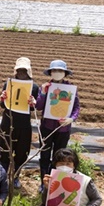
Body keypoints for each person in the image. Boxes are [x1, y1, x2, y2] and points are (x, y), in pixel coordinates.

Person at [35, 60, 80, 191]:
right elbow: (38, 106)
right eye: (54, 71)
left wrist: (71, 119)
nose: (57, 73)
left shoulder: (70, 89)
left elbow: (76, 107)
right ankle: (44, 183)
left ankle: (56, 182)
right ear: (50, 72)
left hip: (63, 129)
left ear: (65, 73)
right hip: (46, 127)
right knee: (44, 155)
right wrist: (43, 93)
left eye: (60, 71)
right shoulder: (46, 87)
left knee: (59, 156)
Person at [0, 57, 39, 188]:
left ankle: (15, 177)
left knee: (21, 153)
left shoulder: (34, 86)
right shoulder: (8, 84)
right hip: (8, 122)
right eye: (19, 70)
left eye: (24, 71)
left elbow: (33, 108)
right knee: (4, 150)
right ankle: (3, 177)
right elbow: (2, 105)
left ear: (29, 72)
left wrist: (33, 103)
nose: (21, 73)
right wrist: (2, 98)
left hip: (24, 125)